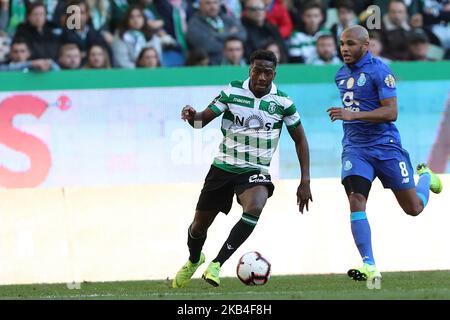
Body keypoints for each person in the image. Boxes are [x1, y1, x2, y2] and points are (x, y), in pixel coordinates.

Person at [173, 49, 312, 288]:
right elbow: (201, 122)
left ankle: (216, 264)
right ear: (250, 69)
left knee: (256, 205)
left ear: (274, 74)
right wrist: (191, 115)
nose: (261, 77)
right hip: (223, 167)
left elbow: (300, 139)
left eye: (267, 73)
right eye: (257, 71)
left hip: (255, 169)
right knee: (198, 228)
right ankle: (195, 259)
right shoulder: (232, 91)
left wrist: (305, 181)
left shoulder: (283, 103)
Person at [327, 25, 443, 283]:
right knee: (356, 199)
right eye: (342, 43)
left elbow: (391, 112)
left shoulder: (380, 71)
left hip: (386, 147)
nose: (344, 48)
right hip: (356, 149)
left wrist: (352, 115)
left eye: (350, 44)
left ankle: (425, 177)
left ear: (365, 45)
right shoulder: (340, 74)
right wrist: (350, 119)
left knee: (414, 208)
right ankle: (369, 265)